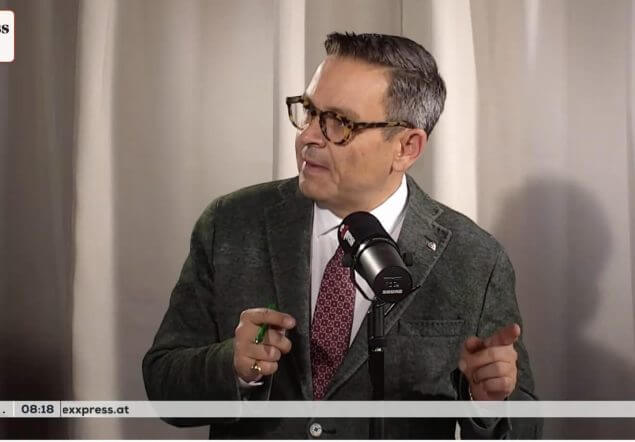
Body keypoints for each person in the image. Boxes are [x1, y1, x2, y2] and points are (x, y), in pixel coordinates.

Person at [143, 32, 542, 439]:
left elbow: (524, 426)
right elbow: (162, 384)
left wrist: (485, 404)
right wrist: (232, 365)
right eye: (309, 112)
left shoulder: (475, 260)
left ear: (406, 147)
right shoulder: (230, 224)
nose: (308, 137)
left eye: (339, 123)